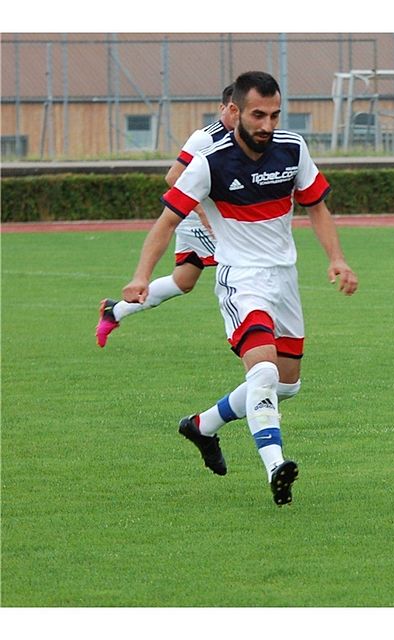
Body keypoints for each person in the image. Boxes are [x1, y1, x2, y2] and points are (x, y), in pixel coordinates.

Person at [120, 71, 358, 506]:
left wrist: (336, 258)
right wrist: (140, 275)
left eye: (274, 115)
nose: (267, 125)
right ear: (236, 111)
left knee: (286, 385)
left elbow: (317, 207)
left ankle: (203, 425)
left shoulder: (293, 148)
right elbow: (167, 221)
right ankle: (275, 465)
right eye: (258, 115)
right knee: (263, 372)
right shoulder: (209, 162)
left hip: (284, 279)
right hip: (241, 280)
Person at [96, 84, 237, 347]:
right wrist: (202, 213)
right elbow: (173, 177)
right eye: (233, 109)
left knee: (183, 281)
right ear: (223, 108)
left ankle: (115, 311)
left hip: (210, 216)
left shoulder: (242, 138)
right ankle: (248, 333)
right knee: (239, 263)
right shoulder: (205, 138)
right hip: (196, 219)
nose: (239, 115)